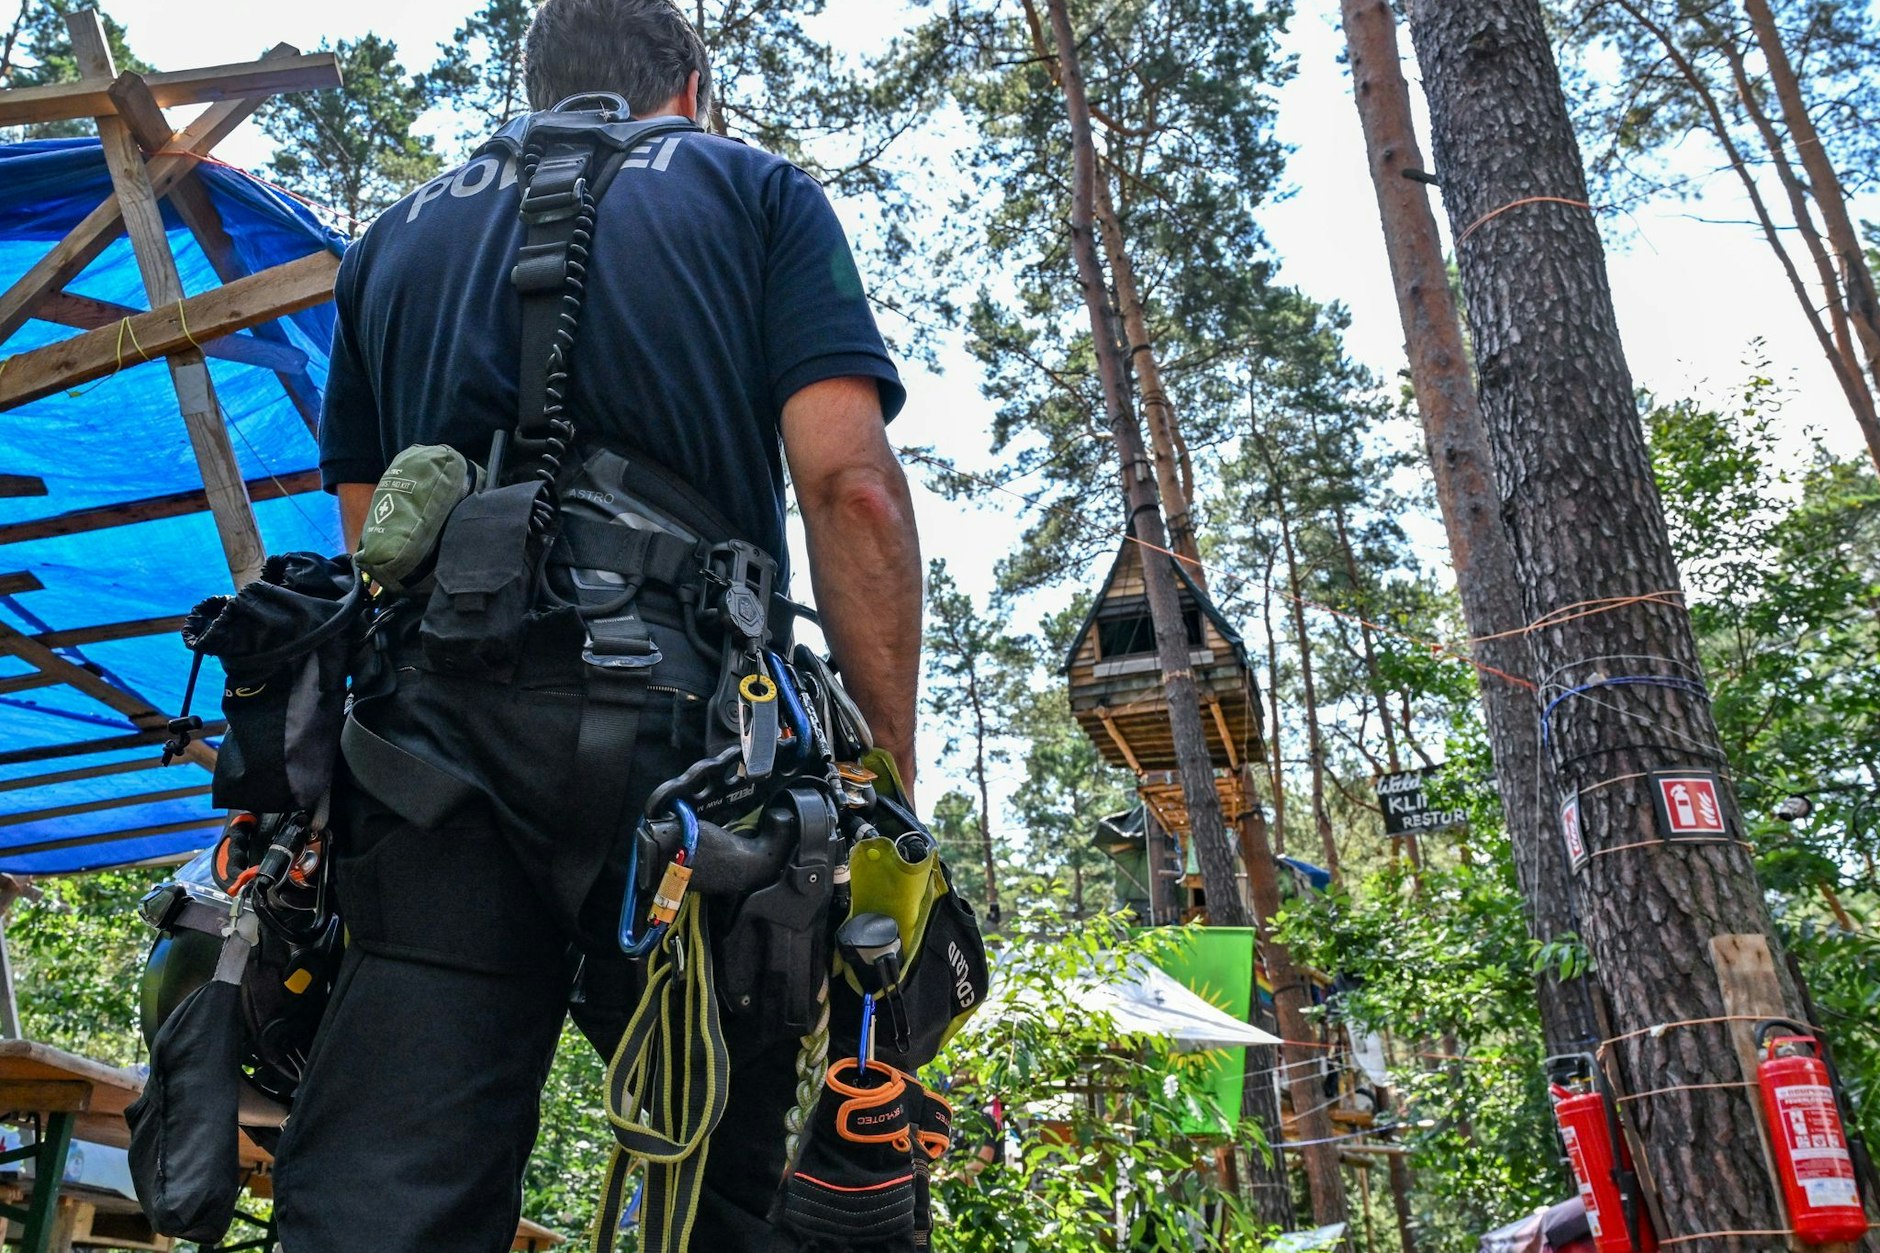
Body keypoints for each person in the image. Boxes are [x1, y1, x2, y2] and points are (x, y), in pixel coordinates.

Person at [272, 1, 922, 1248]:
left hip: (427, 757)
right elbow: (849, 484)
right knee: (715, 1179)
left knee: (386, 1191)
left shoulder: (390, 242)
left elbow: (376, 532)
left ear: (536, 85)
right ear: (690, 86)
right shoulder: (755, 191)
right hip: (684, 758)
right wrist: (878, 772)